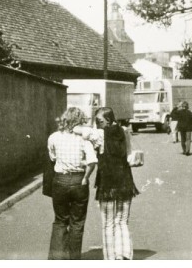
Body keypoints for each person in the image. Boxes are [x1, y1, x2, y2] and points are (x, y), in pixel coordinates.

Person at [47, 107, 97, 260]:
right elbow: (92, 161)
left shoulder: (54, 137)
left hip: (60, 180)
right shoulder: (84, 139)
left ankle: (57, 259)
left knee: (60, 220)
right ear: (80, 121)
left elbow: (52, 157)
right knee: (77, 222)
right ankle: (74, 259)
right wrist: (86, 177)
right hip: (78, 180)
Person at [93, 107, 139, 260]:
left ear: (107, 119)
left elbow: (81, 131)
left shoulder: (100, 134)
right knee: (122, 221)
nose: (97, 124)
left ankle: (110, 258)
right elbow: (129, 154)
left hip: (107, 183)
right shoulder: (124, 131)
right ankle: (124, 254)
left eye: (99, 121)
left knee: (108, 223)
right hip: (125, 181)